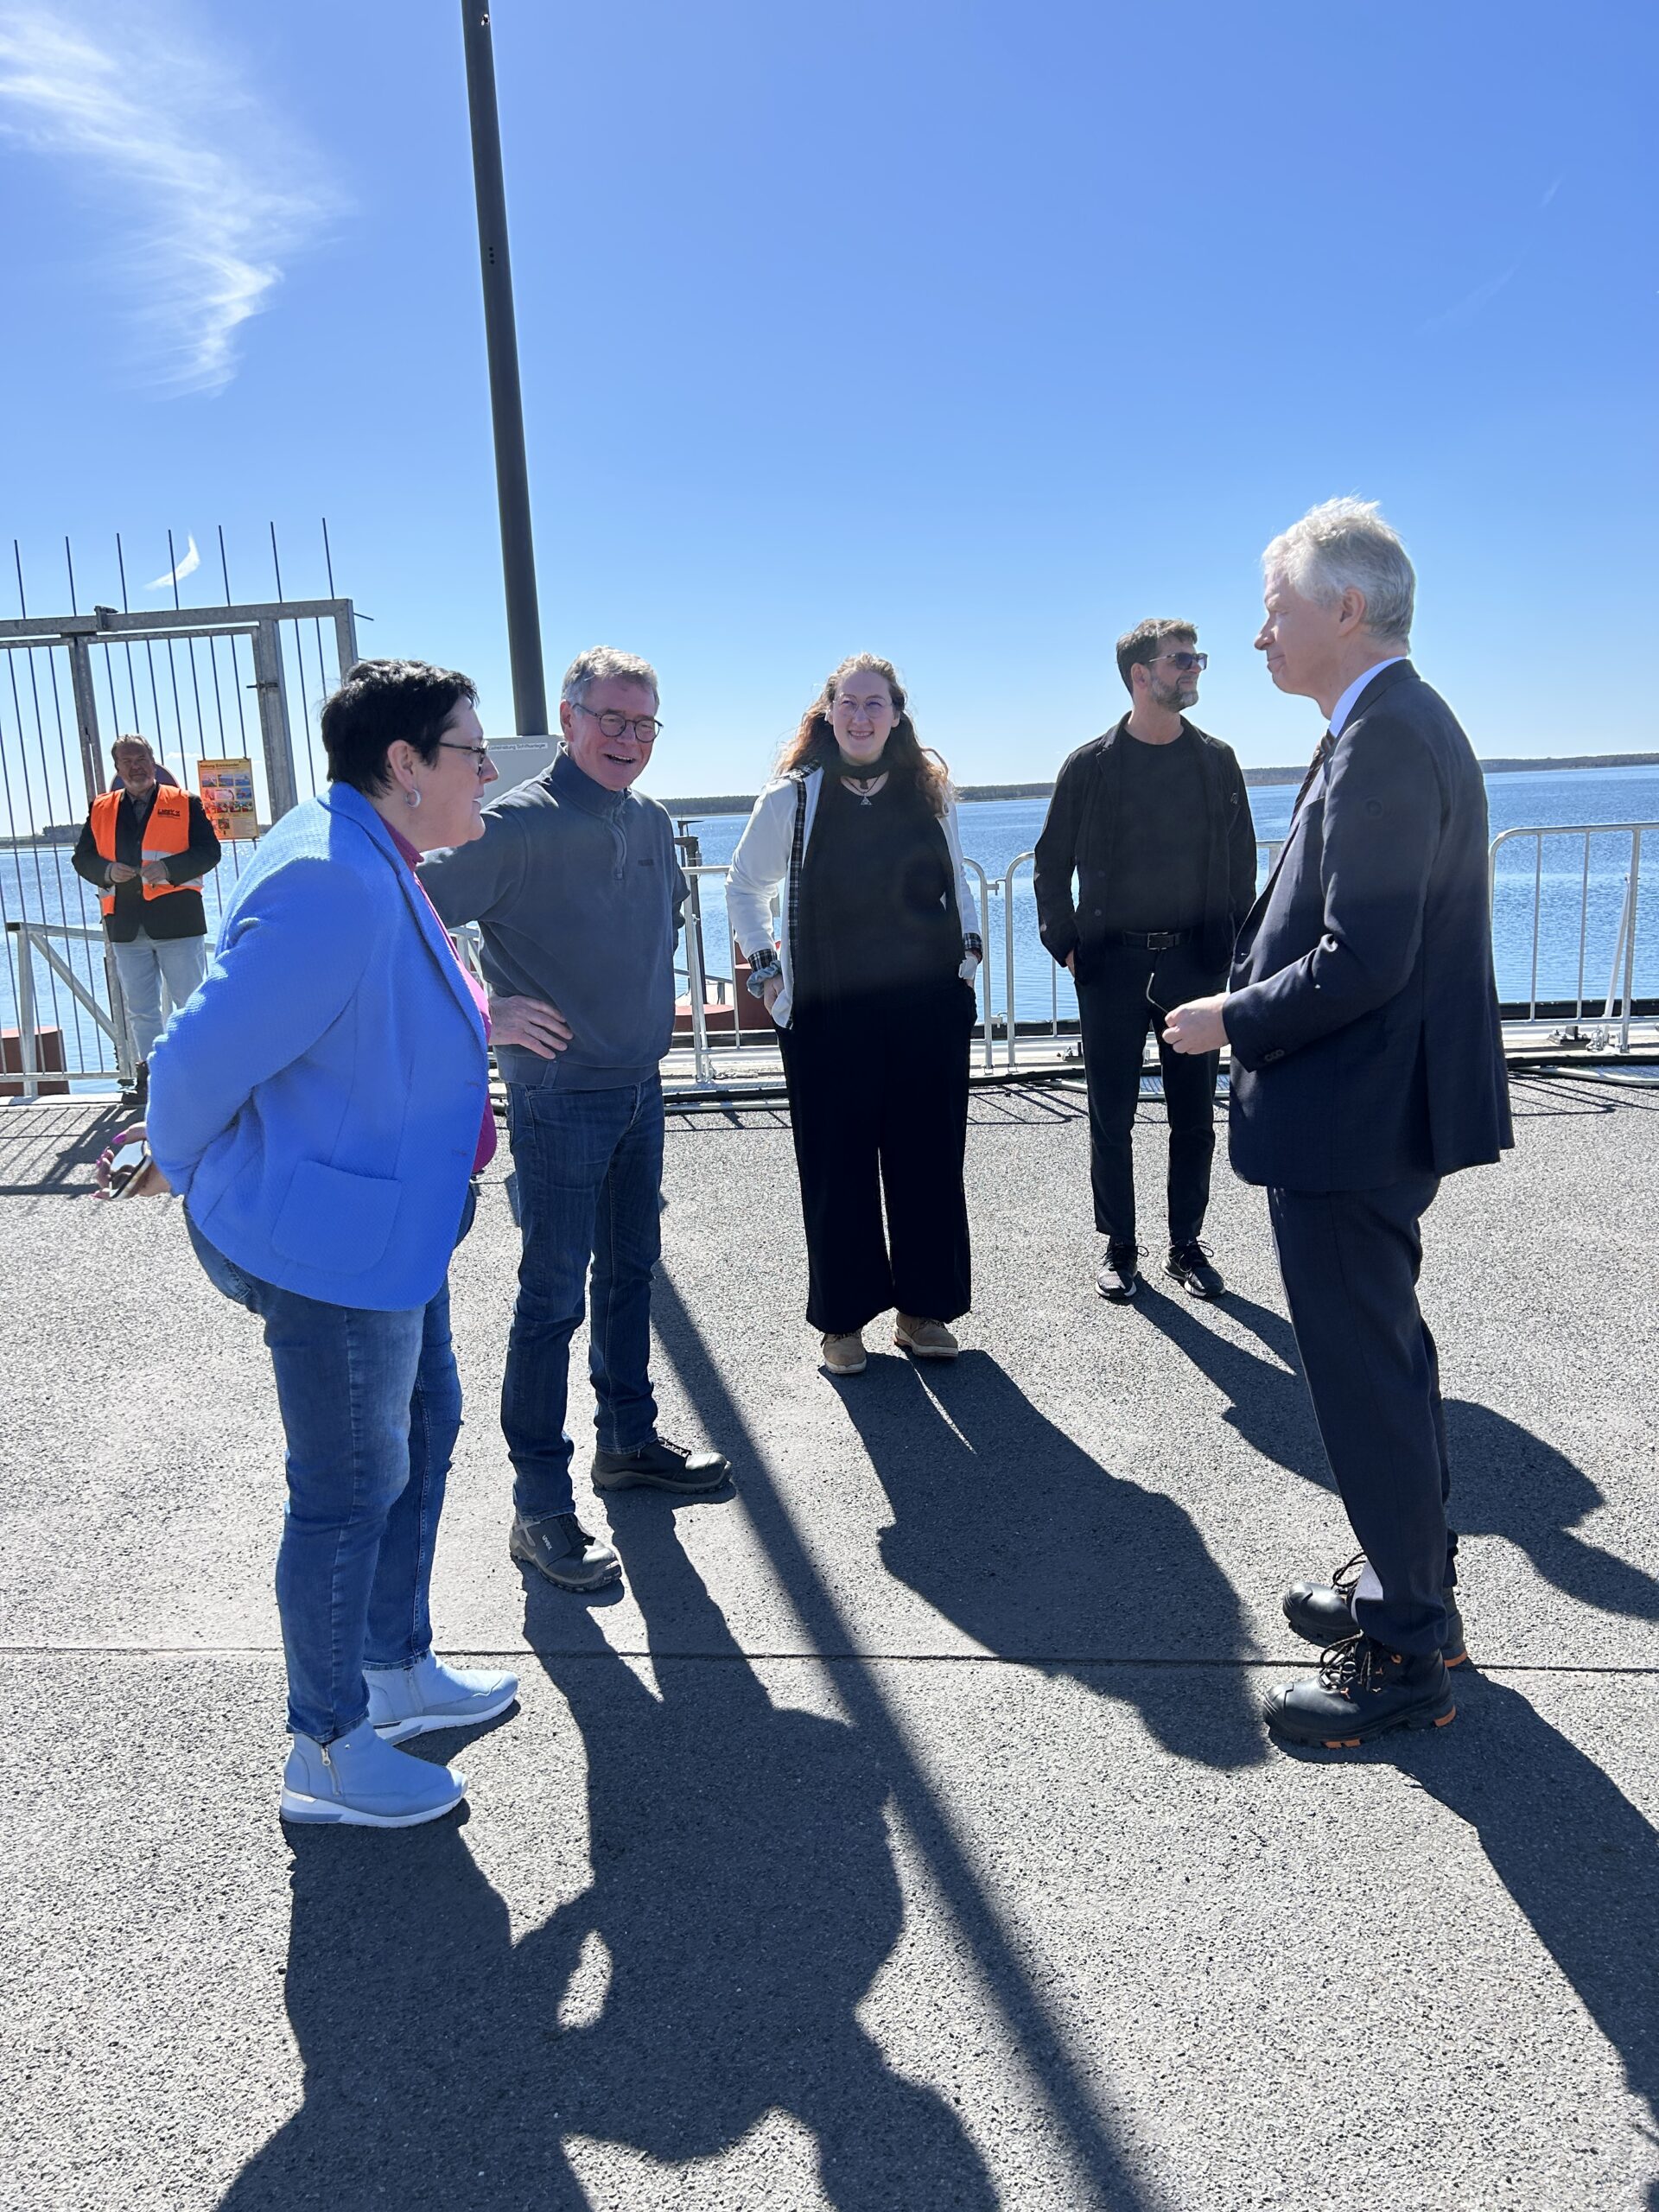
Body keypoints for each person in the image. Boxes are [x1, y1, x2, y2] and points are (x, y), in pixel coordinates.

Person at [1163, 499, 1512, 1749]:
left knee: (1366, 1377)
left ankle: (1407, 1650)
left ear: (1346, 609)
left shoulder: (1388, 734)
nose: (1261, 635)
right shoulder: (1385, 722)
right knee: (1385, 1360)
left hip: (1353, 1116)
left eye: (1277, 610)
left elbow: (1363, 957)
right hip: (1366, 1111)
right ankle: (1407, 1582)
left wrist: (1229, 1018)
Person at [146, 658, 518, 1827]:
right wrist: (195, 1171)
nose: (488, 772)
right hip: (338, 1246)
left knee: (425, 1429)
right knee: (348, 1492)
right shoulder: (332, 879)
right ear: (405, 764)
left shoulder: (368, 849)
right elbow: (194, 1061)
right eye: (471, 751)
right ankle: (327, 1748)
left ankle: (393, 1668)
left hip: (396, 1227)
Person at [419, 646, 730, 1597]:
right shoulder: (514, 826)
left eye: (643, 723)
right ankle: (539, 1503)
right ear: (568, 718)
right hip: (560, 1098)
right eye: (610, 718)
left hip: (638, 1087)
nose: (627, 738)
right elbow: (399, 910)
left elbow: (656, 924)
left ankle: (627, 1441)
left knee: (631, 1272)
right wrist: (485, 1012)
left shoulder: (651, 819)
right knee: (552, 1298)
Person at [726, 654, 982, 1376]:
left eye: (876, 704)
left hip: (926, 1007)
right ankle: (842, 1320)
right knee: (836, 1167)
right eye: (849, 703)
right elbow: (744, 888)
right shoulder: (794, 798)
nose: (861, 716)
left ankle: (923, 1312)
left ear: (896, 715)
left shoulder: (929, 791)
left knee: (929, 1160)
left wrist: (967, 960)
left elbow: (957, 881)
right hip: (828, 1012)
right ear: (828, 713)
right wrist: (768, 974)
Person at [1034, 622, 1255, 1304]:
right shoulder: (1090, 767)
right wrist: (1066, 944)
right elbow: (1050, 865)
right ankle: (1120, 1244)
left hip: (1194, 963)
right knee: (1112, 1114)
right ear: (1140, 674)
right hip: (1111, 966)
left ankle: (1185, 1245)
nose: (1194, 670)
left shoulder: (1216, 762)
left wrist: (1232, 946)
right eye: (1181, 660)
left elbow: (1243, 865)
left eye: (1197, 659)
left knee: (1194, 1115)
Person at [72, 735, 221, 1102]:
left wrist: (168, 868)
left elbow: (210, 852)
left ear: (153, 762)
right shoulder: (101, 807)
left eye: (141, 759)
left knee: (191, 1004)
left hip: (178, 922)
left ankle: (200, 1078)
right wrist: (107, 871)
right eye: (127, 761)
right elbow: (82, 858)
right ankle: (153, 1080)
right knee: (142, 1011)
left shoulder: (185, 802)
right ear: (117, 768)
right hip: (125, 925)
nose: (135, 767)